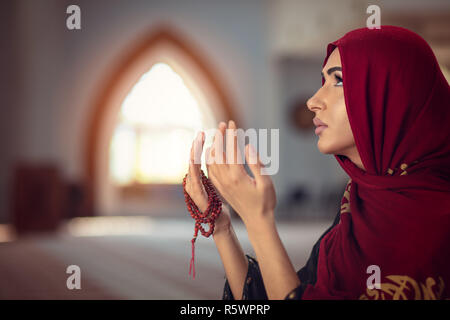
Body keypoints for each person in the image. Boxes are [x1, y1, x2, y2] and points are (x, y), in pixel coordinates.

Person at [184, 25, 450, 300]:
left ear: (391, 97)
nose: (313, 101)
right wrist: (222, 227)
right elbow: (281, 293)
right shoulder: (360, 201)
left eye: (339, 81)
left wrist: (258, 221)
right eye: (323, 82)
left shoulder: (438, 224)